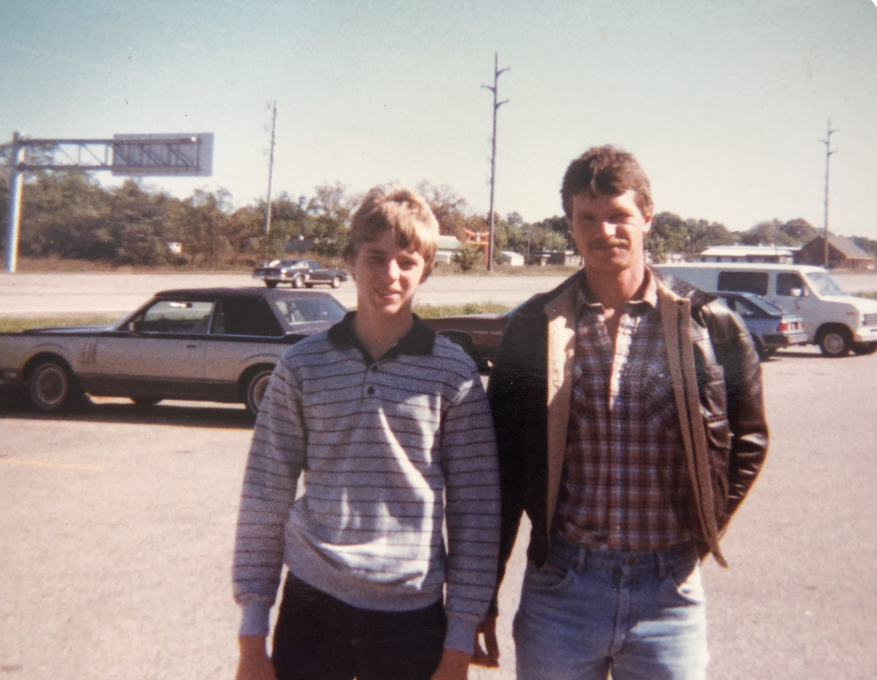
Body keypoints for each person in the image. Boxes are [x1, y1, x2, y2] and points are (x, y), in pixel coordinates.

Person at [478, 146, 769, 679]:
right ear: (570, 224)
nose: (604, 230)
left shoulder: (710, 323)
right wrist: (483, 591)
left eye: (618, 215)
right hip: (561, 590)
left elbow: (748, 441)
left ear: (647, 217)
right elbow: (502, 469)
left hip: (669, 593)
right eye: (587, 217)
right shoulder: (533, 328)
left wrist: (704, 531)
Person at [232, 186, 501, 680]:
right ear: (350, 260)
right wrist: (252, 636)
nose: (390, 274)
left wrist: (459, 641)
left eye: (407, 261)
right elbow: (265, 492)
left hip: (411, 617)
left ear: (426, 269)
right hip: (313, 606)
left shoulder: (454, 373)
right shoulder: (301, 365)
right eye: (375, 257)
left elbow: (476, 512)